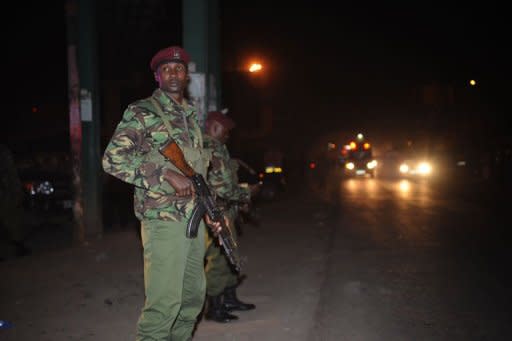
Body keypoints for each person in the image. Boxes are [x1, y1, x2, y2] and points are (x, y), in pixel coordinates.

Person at [102, 45, 220, 341]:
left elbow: (198, 174)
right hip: (163, 219)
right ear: (157, 76)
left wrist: (214, 214)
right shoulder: (141, 112)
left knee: (192, 300)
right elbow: (112, 160)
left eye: (178, 68)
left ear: (186, 75)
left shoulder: (190, 117)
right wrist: (164, 173)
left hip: (194, 217)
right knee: (165, 305)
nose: (173, 73)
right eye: (166, 69)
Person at [202, 111, 260, 323]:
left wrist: (239, 198)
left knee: (230, 256)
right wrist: (247, 193)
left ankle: (229, 298)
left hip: (225, 210)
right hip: (215, 213)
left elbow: (226, 184)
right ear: (216, 127)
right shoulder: (210, 149)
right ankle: (214, 307)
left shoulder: (219, 148)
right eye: (226, 131)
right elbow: (222, 187)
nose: (228, 135)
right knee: (219, 258)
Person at [0, 144, 30, 261]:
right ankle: (19, 246)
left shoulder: (3, 152)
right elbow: (11, 173)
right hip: (6, 193)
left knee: (13, 219)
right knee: (12, 219)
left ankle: (19, 246)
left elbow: (11, 173)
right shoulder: (4, 153)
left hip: (6, 192)